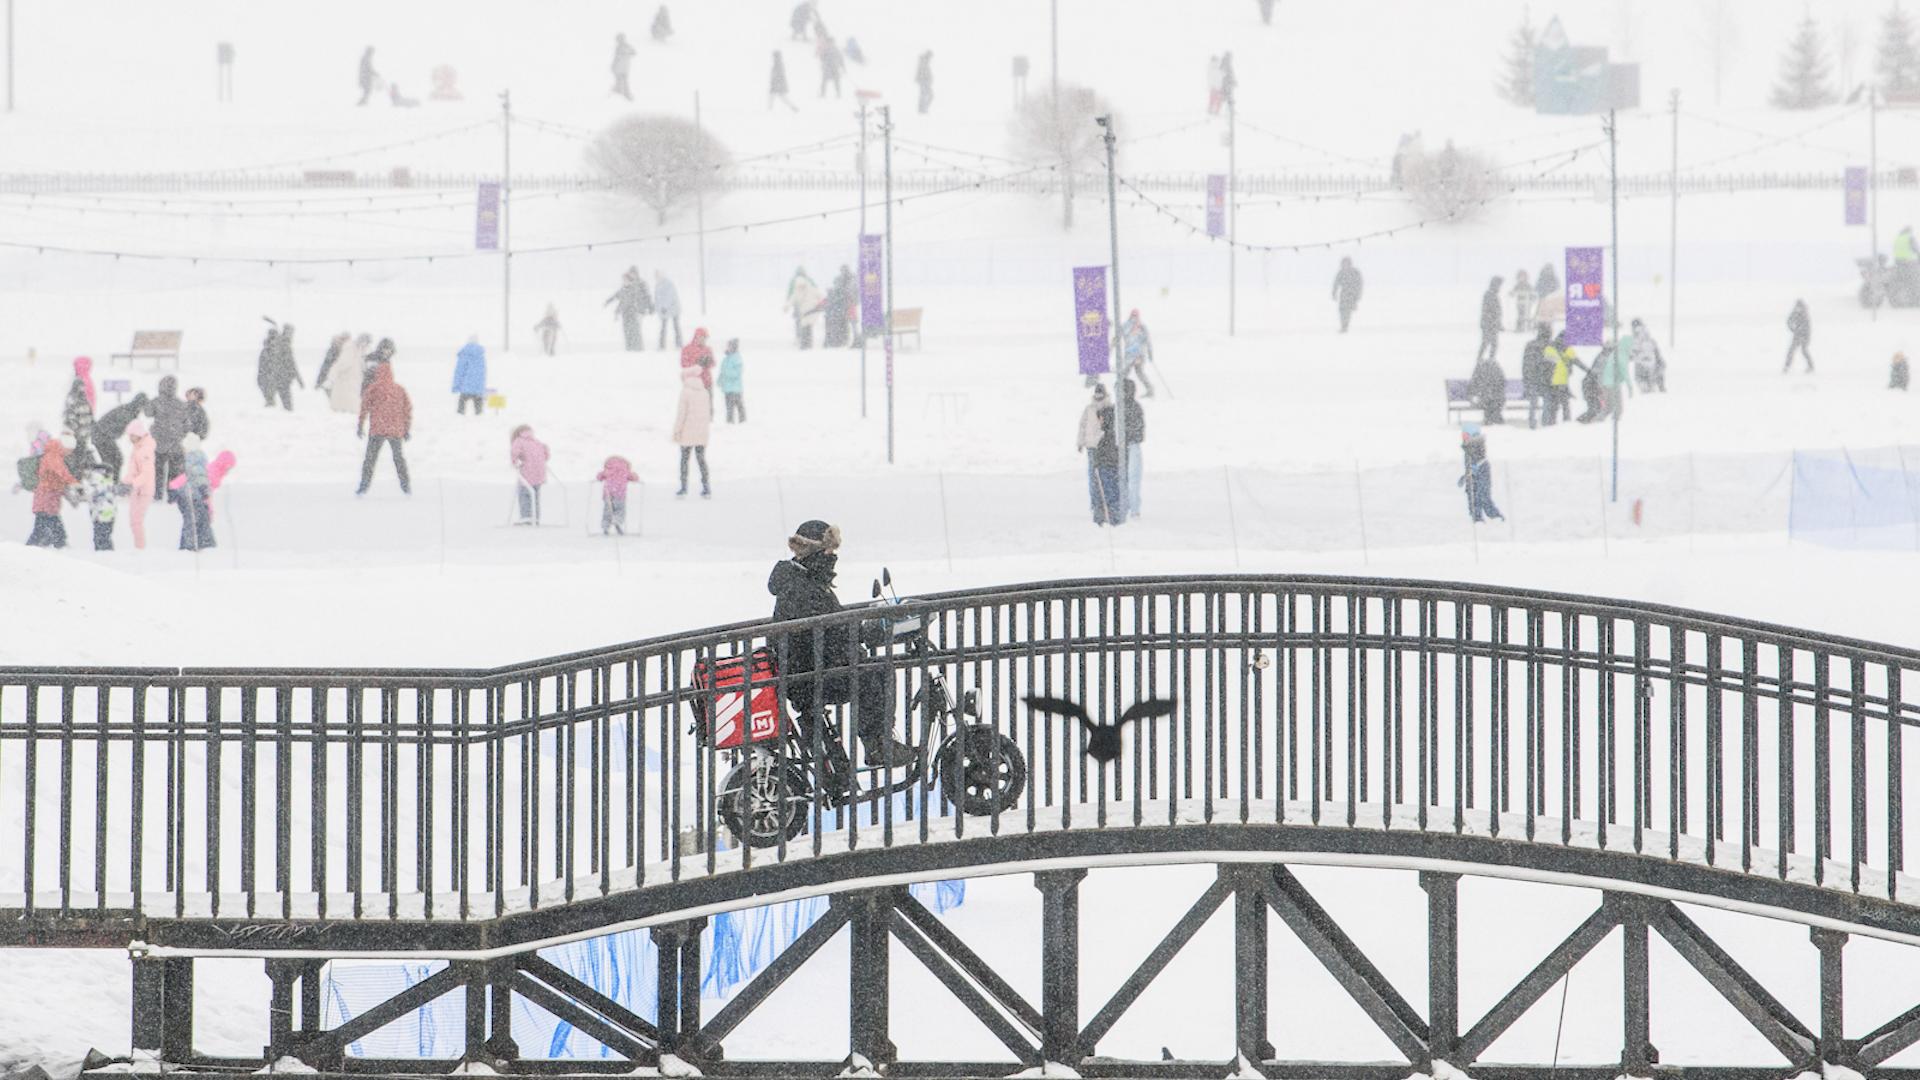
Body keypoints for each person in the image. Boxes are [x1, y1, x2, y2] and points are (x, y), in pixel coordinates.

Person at [767, 518, 916, 768]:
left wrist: (857, 633)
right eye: (828, 551)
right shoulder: (801, 586)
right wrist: (862, 632)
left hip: (809, 672)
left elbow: (830, 628)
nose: (832, 557)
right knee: (873, 673)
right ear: (813, 551)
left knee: (877, 669)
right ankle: (877, 744)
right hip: (807, 679)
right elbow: (827, 631)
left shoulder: (804, 580)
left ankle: (878, 741)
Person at [356, 361, 413, 496]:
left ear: (377, 374)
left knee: (370, 459)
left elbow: (364, 408)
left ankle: (363, 486)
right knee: (398, 458)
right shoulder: (399, 389)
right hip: (395, 430)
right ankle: (405, 486)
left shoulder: (373, 389)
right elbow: (407, 410)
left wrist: (360, 425)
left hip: (377, 430)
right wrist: (406, 429)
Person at [1077, 384, 1124, 526]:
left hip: (1103, 447)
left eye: (1100, 394)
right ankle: (1097, 505)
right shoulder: (1089, 409)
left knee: (1104, 479)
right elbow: (1082, 426)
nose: (1098, 397)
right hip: (1092, 446)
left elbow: (1109, 428)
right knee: (1093, 477)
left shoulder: (1108, 409)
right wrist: (1081, 442)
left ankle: (1104, 509)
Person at [26, 432, 76, 548]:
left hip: (47, 498)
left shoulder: (54, 454)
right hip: (46, 498)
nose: (70, 453)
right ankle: (59, 544)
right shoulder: (53, 456)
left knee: (43, 525)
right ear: (65, 446)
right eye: (70, 450)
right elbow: (62, 473)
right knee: (47, 525)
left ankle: (55, 544)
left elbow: (58, 477)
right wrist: (75, 483)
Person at [672, 361, 712, 499]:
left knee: (684, 459)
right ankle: (706, 487)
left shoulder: (685, 392)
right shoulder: (704, 392)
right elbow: (707, 413)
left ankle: (683, 488)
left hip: (687, 432)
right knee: (701, 459)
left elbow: (681, 414)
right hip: (701, 431)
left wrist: (677, 430)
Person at [145, 376, 190, 498]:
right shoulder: (181, 404)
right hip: (175, 443)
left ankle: (157, 494)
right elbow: (187, 424)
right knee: (175, 471)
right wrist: (180, 434)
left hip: (159, 443)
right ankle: (173, 495)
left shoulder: (157, 402)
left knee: (157, 470)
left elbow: (147, 413)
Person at [172, 433, 216, 551]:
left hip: (194, 493)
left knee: (192, 519)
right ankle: (202, 542)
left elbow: (198, 474)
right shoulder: (199, 456)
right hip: (195, 492)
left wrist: (201, 486)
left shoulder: (193, 457)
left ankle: (191, 544)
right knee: (199, 518)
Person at [91, 392, 149, 480]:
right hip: (101, 436)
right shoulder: (127, 413)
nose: (143, 409)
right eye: (143, 406)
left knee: (115, 460)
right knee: (114, 461)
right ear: (140, 405)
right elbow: (117, 428)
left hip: (102, 435)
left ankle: (109, 481)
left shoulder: (130, 410)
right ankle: (98, 475)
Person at [1458, 425, 1504, 524]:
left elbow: (1480, 460)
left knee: (1483, 496)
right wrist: (1465, 476)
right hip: (1472, 475)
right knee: (1472, 497)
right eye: (1463, 435)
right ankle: (1477, 518)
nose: (1463, 437)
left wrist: (1475, 468)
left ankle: (1495, 516)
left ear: (1472, 435)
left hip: (1482, 473)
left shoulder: (1476, 445)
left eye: (1465, 435)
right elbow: (1469, 464)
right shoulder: (1467, 446)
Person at [510, 425, 550, 525]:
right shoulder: (536, 442)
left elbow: (514, 452)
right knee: (535, 496)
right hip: (540, 473)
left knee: (524, 495)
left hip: (527, 473)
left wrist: (515, 462)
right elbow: (546, 453)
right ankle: (536, 517)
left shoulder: (519, 441)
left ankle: (526, 518)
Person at [124, 420, 154, 550]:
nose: (130, 438)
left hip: (144, 491)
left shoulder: (145, 450)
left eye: (132, 435)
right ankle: (139, 547)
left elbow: (146, 474)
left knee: (136, 521)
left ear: (138, 434)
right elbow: (133, 471)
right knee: (134, 521)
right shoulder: (137, 448)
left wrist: (132, 484)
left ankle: (140, 548)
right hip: (136, 490)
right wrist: (124, 483)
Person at [258, 324, 303, 410]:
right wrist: (298, 379)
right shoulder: (282, 346)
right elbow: (291, 364)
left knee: (280, 405)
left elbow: (290, 364)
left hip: (279, 379)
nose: (291, 335)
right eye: (290, 333)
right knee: (285, 406)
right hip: (280, 379)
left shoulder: (279, 345)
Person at [607, 268, 653, 350]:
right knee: (627, 331)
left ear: (629, 280)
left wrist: (647, 308)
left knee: (634, 331)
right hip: (625, 314)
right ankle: (629, 347)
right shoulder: (623, 289)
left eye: (626, 280)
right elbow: (617, 298)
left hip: (633, 313)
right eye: (623, 280)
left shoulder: (634, 288)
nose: (624, 281)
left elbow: (644, 297)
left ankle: (638, 348)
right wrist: (610, 304)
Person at [64, 356, 97, 468]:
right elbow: (91, 403)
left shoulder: (77, 381)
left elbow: (70, 412)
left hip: (79, 427)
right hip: (83, 425)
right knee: (81, 449)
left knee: (78, 451)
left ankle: (79, 469)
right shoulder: (86, 380)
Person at [79, 465, 120, 551]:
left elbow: (89, 494)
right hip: (109, 513)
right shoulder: (109, 482)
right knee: (106, 535)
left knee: (99, 536)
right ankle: (108, 551)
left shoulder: (96, 481)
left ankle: (102, 552)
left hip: (99, 513)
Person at [1120, 378, 1145, 520]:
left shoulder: (1125, 407)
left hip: (1128, 445)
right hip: (1128, 445)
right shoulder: (1132, 407)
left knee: (1129, 479)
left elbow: (1139, 430)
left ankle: (1130, 509)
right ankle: (1132, 509)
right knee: (1131, 479)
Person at [325, 334, 370, 413]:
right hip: (346, 382)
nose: (366, 346)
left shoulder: (359, 351)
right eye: (365, 343)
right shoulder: (350, 350)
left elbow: (362, 367)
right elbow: (341, 365)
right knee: (349, 405)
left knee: (350, 405)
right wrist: (331, 379)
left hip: (353, 382)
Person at [1520, 325, 1552, 430]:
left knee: (1533, 403)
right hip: (1545, 378)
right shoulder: (1549, 345)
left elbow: (1525, 362)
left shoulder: (1530, 345)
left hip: (1532, 377)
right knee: (1547, 401)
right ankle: (1545, 422)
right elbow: (1553, 363)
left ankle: (1532, 422)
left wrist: (1525, 376)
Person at [597, 455, 637, 535]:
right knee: (620, 510)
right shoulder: (625, 471)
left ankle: (605, 526)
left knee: (607, 510)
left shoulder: (608, 470)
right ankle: (617, 520)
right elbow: (634, 478)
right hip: (619, 494)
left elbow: (599, 476)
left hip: (608, 493)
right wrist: (634, 476)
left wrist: (601, 476)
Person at [785, 267, 824, 348]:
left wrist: (820, 303)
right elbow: (792, 297)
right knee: (805, 325)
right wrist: (787, 305)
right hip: (804, 309)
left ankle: (804, 342)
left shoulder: (799, 283)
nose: (800, 287)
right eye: (799, 286)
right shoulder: (805, 283)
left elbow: (790, 294)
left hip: (810, 309)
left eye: (801, 286)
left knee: (805, 324)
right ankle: (805, 341)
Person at [1548, 334, 1580, 426]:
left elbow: (1547, 365)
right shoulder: (1567, 349)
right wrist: (1588, 371)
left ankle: (1552, 423)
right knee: (1565, 404)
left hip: (1552, 382)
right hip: (1562, 382)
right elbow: (1577, 361)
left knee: (1554, 405)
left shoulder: (1550, 348)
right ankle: (1566, 423)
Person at [1468, 352, 1507, 425]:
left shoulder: (1481, 368)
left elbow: (1474, 383)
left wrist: (1473, 394)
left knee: (1491, 397)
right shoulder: (1494, 367)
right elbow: (1502, 382)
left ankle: (1491, 417)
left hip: (1489, 396)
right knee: (1492, 398)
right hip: (1491, 397)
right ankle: (1494, 416)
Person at [1628, 318, 1666, 392]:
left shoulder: (1636, 336)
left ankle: (1649, 389)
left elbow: (1634, 350)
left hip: (1641, 363)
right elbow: (1655, 349)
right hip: (1651, 363)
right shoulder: (1647, 336)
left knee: (1642, 382)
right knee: (1650, 382)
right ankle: (1656, 388)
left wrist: (1631, 356)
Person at [452, 336, 487, 416]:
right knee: (479, 413)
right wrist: (481, 388)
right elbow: (482, 374)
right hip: (478, 389)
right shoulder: (480, 355)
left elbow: (459, 372)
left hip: (466, 387)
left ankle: (459, 419)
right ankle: (480, 420)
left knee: (460, 410)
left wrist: (456, 386)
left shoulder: (464, 354)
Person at [823, 265, 856, 347]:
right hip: (845, 306)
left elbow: (848, 292)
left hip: (842, 306)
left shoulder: (846, 280)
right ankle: (845, 340)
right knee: (848, 323)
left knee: (845, 323)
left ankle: (840, 340)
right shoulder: (851, 279)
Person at [1331, 257, 1363, 333]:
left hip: (1352, 294)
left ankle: (1345, 326)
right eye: (1343, 263)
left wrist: (1358, 294)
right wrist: (1334, 293)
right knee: (1342, 310)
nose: (1344, 265)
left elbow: (1359, 283)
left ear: (1349, 264)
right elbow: (1336, 283)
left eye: (1346, 263)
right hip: (1344, 293)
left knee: (1348, 311)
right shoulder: (1341, 273)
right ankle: (1344, 326)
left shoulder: (1355, 272)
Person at [719, 338, 747, 423]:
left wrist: (726, 373)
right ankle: (730, 422)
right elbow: (722, 371)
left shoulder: (737, 358)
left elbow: (737, 373)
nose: (728, 347)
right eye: (728, 346)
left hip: (735, 388)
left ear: (734, 347)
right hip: (727, 389)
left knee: (739, 406)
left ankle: (743, 422)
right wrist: (720, 380)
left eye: (729, 346)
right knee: (729, 408)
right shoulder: (726, 358)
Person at [655, 271, 684, 349]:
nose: (657, 277)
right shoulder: (658, 285)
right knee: (663, 327)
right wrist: (657, 308)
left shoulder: (668, 284)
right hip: (664, 310)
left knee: (675, 326)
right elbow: (657, 298)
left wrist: (665, 306)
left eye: (658, 275)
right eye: (656, 276)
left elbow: (670, 296)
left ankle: (679, 344)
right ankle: (662, 345)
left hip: (673, 308)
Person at [1477, 276, 1503, 363]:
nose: (1500, 287)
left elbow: (1495, 312)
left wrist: (1498, 323)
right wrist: (1495, 322)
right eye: (1499, 285)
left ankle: (1487, 359)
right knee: (1488, 343)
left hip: (1490, 324)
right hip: (1489, 324)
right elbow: (1491, 311)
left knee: (1490, 343)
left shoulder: (1492, 294)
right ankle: (1485, 359)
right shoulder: (1490, 295)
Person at [1785, 300, 1813, 373]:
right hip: (1797, 335)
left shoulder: (1805, 314)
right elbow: (1788, 321)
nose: (1798, 308)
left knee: (1804, 351)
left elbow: (1808, 327)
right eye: (1797, 307)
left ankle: (1810, 366)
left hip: (1804, 336)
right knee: (1791, 350)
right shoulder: (1794, 313)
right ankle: (1787, 366)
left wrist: (1805, 336)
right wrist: (1792, 329)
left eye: (1799, 307)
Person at [611, 33, 637, 100]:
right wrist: (627, 54)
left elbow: (616, 58)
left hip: (620, 67)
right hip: (625, 67)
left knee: (621, 80)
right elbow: (634, 53)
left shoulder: (619, 47)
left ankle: (624, 93)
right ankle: (620, 91)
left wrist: (613, 66)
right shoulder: (627, 46)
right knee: (622, 80)